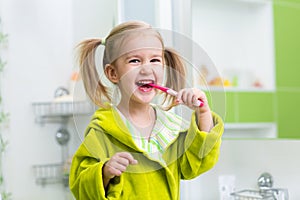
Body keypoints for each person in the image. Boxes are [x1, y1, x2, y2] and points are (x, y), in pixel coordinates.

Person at [69, 20, 224, 200]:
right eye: (135, 60)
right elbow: (80, 185)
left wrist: (203, 113)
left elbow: (195, 164)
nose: (147, 69)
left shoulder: (170, 127)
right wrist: (104, 172)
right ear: (113, 73)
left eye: (155, 60)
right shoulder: (103, 130)